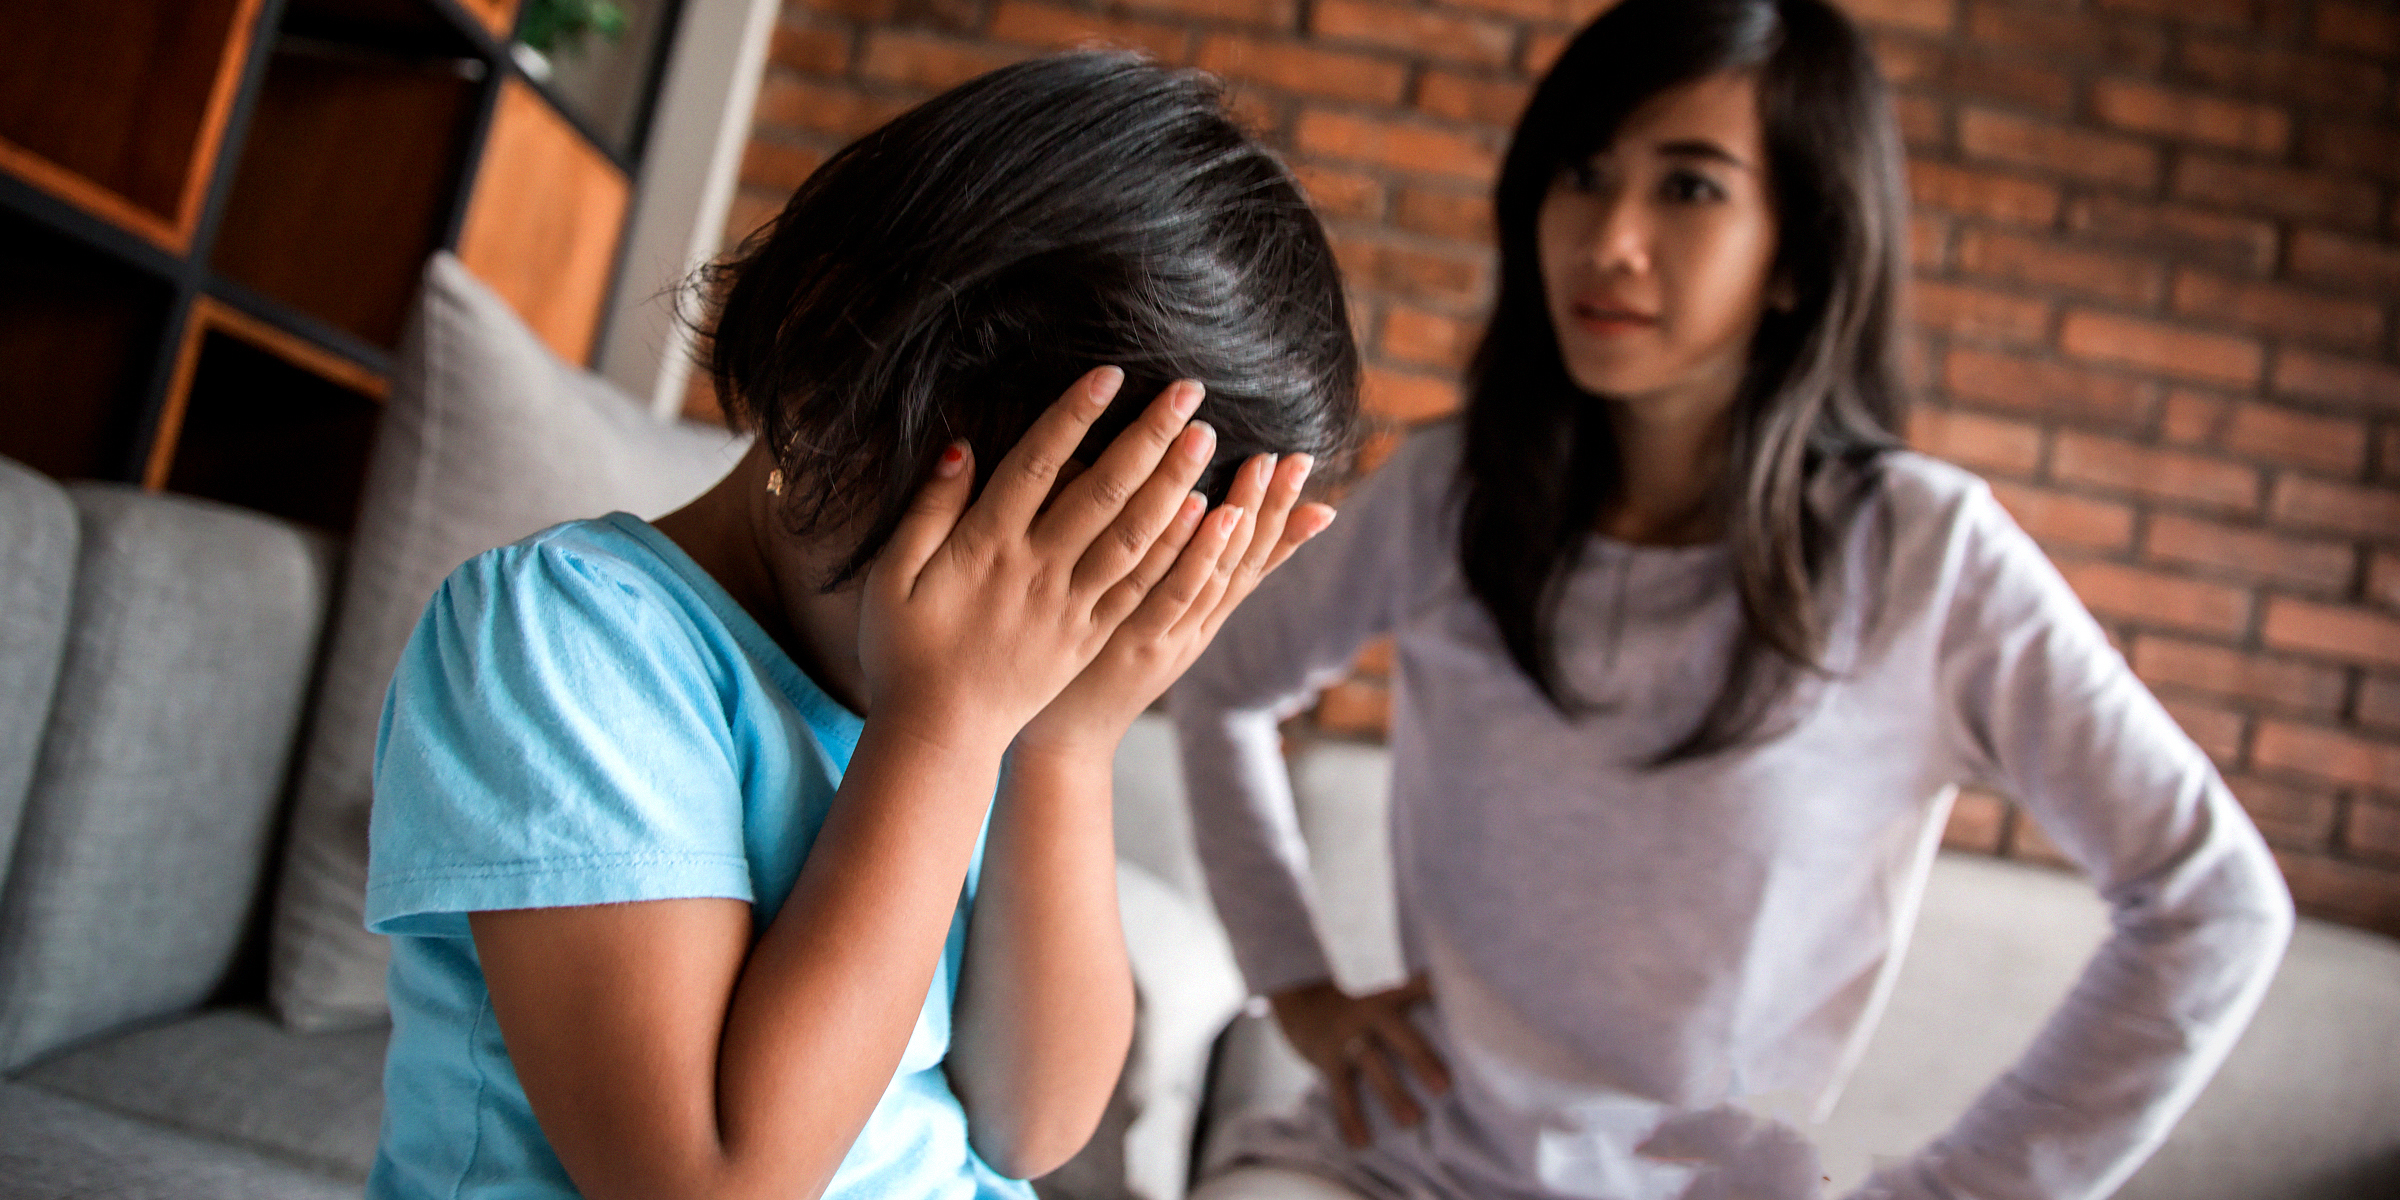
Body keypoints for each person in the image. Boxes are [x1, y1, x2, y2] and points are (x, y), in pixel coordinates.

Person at [1168, 2, 2294, 1198]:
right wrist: (1299, 990)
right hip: (1388, 1171)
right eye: (1585, 175)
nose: (1611, 239)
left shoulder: (1928, 553)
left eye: (1690, 189)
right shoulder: (1453, 494)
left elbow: (2211, 905)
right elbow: (1224, 686)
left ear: (1801, 255)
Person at [363, 53, 1359, 1200]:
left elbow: (1033, 1124)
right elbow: (716, 1182)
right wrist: (944, 725)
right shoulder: (570, 641)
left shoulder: (978, 714)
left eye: (1116, 584)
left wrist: (1065, 742)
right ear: (838, 355)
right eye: (1040, 549)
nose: (1051, 628)